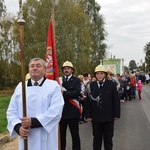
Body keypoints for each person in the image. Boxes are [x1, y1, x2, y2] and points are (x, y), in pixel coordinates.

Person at [6, 58, 64, 150]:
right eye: (32, 66)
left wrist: (34, 122)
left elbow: (56, 111)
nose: (34, 68)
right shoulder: (21, 87)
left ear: (45, 70)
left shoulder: (53, 86)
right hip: (26, 135)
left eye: (38, 66)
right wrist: (18, 127)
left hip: (46, 137)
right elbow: (11, 111)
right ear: (29, 69)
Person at [85, 65, 120, 150]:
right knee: (96, 139)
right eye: (97, 74)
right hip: (96, 117)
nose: (99, 75)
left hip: (108, 117)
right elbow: (88, 102)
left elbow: (116, 100)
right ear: (95, 75)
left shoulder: (111, 85)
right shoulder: (91, 86)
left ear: (104, 74)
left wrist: (116, 114)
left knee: (108, 139)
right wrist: (88, 115)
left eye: (101, 74)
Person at [59, 61, 81, 150]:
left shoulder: (76, 80)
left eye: (68, 68)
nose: (66, 70)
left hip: (72, 111)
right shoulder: (59, 81)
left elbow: (76, 93)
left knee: (75, 135)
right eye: (64, 68)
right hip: (61, 112)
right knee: (61, 136)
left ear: (72, 70)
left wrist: (63, 93)